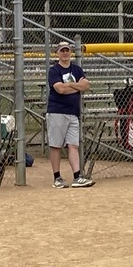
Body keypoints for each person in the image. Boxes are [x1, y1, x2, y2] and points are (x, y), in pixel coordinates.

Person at [46, 42, 95, 189]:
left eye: (67, 50)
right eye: (62, 51)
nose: (65, 53)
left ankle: (77, 177)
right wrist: (76, 86)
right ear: (58, 53)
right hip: (57, 111)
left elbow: (86, 85)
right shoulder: (54, 70)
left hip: (73, 113)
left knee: (73, 145)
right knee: (56, 145)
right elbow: (60, 89)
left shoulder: (77, 69)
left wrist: (69, 85)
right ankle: (57, 178)